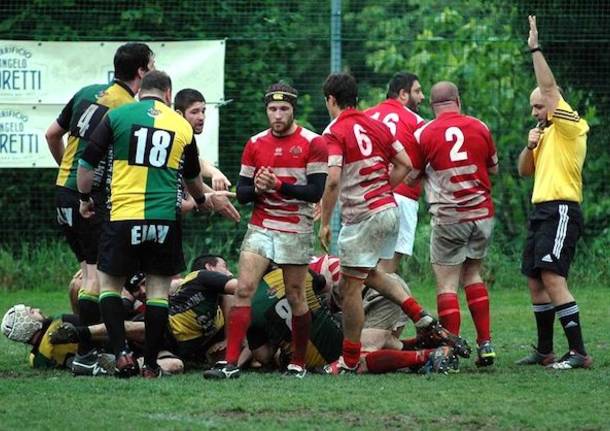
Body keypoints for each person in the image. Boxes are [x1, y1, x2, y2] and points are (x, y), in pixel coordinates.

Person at [76, 70, 232, 378]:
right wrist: (202, 202)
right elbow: (191, 178)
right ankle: (149, 364)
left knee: (110, 286)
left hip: (123, 215)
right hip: (164, 219)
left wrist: (84, 198)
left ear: (140, 92)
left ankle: (121, 354)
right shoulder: (180, 126)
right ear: (169, 95)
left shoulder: (118, 115)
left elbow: (86, 163)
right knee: (159, 292)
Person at [318, 72, 470, 374]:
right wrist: (384, 188)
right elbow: (406, 163)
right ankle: (421, 317)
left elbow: (333, 180)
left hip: (362, 217)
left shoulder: (334, 131)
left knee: (350, 289)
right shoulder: (375, 125)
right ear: (356, 98)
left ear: (331, 100)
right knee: (370, 274)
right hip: (389, 210)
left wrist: (324, 220)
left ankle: (348, 361)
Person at [203, 82, 328, 380]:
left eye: (283, 109)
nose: (277, 115)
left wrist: (279, 185)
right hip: (261, 227)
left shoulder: (314, 142)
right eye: (272, 109)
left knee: (296, 296)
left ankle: (297, 363)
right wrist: (257, 188)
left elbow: (314, 192)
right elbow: (243, 192)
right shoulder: (255, 143)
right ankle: (230, 362)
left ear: (293, 110)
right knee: (244, 288)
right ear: (266, 110)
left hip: (295, 229)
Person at [45, 42, 155, 373]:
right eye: (151, 65)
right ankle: (87, 353)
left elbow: (52, 135)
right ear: (141, 72)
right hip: (89, 200)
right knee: (96, 278)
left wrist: (69, 174)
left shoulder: (86, 92)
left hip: (64, 194)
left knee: (88, 273)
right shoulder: (129, 110)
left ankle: (86, 349)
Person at [516, 16, 591, 370]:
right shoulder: (543, 133)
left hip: (561, 209)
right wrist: (529, 146)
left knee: (552, 277)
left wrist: (535, 47)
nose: (535, 111)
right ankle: (545, 350)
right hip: (541, 210)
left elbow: (548, 88)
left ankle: (578, 352)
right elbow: (523, 171)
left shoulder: (571, 125)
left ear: (553, 104)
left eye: (538, 106)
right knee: (535, 280)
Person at [409, 81, 498, 367]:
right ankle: (485, 344)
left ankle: (451, 351)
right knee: (473, 275)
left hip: (449, 217)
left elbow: (411, 175)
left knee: (447, 284)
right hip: (482, 215)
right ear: (457, 100)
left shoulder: (423, 132)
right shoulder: (480, 126)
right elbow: (493, 167)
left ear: (433, 106)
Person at [0, 304, 183, 375]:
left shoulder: (37, 359)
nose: (38, 310)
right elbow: (106, 326)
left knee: (176, 365)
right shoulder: (61, 324)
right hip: (129, 342)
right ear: (26, 324)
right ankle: (129, 363)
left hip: (127, 352)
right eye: (32, 312)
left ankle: (132, 366)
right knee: (151, 327)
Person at [365, 72, 425, 273]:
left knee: (365, 264)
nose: (422, 97)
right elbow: (421, 167)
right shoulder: (416, 121)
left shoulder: (365, 117)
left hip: (366, 198)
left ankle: (364, 303)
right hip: (402, 196)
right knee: (388, 267)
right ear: (402, 94)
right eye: (417, 91)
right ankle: (381, 304)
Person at [173, 88, 240, 222]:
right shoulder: (175, 138)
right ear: (179, 114)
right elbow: (189, 178)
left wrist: (214, 173)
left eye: (203, 111)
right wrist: (206, 198)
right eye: (194, 112)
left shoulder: (188, 140)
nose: (201, 117)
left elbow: (194, 164)